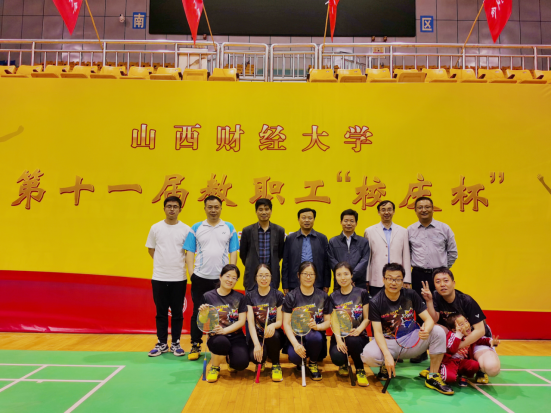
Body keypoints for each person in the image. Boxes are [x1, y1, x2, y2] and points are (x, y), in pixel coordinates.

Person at [361, 263, 454, 396]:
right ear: (383, 279)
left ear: (403, 280)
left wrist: (426, 330)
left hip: (411, 340)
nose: (394, 282)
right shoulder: (375, 301)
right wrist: (386, 355)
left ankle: (433, 376)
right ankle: (384, 365)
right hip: (388, 342)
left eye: (398, 279)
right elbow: (378, 332)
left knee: (438, 331)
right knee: (368, 355)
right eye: (390, 278)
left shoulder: (411, 294)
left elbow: (429, 320)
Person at [421, 267, 501, 383]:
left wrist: (457, 346)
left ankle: (479, 368)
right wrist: (429, 301)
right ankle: (440, 365)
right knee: (431, 328)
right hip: (455, 336)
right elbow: (434, 320)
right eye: (438, 282)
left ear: (453, 283)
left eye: (446, 280)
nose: (442, 284)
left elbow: (480, 330)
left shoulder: (466, 300)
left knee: (492, 368)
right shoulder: (436, 296)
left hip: (476, 338)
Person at [184, 195, 240, 361]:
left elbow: (233, 252)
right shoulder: (196, 227)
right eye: (210, 207)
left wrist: (231, 275)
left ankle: (225, 344)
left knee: (224, 312)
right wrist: (192, 274)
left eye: (216, 207)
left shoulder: (229, 227)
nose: (213, 210)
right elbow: (190, 252)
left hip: (221, 280)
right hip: (200, 278)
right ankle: (195, 344)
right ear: (205, 208)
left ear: (221, 208)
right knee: (198, 312)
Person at [408, 196, 457, 364]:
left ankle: (444, 349)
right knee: (419, 310)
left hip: (439, 275)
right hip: (418, 274)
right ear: (415, 210)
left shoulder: (444, 228)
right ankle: (420, 350)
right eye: (420, 207)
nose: (424, 210)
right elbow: (407, 254)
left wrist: (442, 271)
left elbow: (452, 252)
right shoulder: (410, 230)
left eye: (427, 206)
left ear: (433, 208)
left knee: (442, 310)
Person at [145, 196, 191, 358]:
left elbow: (189, 253)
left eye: (175, 206)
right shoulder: (155, 228)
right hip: (159, 277)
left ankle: (176, 343)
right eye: (169, 206)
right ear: (164, 209)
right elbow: (151, 249)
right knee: (161, 312)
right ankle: (162, 343)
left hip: (179, 277)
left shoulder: (186, 229)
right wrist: (163, 263)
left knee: (177, 313)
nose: (172, 209)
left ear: (180, 209)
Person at [199, 264, 249, 383]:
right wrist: (203, 314)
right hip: (217, 336)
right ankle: (215, 367)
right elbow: (203, 322)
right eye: (228, 276)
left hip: (236, 336)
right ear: (220, 277)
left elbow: (241, 321)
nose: (230, 280)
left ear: (236, 281)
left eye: (234, 278)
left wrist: (225, 330)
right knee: (221, 343)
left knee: (241, 363)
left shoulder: (240, 297)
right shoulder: (208, 296)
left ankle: (230, 359)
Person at [282, 262, 331, 381]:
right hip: (297, 337)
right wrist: (295, 344)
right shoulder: (291, 296)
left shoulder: (323, 296)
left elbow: (328, 322)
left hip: (315, 337)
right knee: (295, 357)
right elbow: (286, 323)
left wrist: (317, 327)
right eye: (305, 274)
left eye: (311, 274)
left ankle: (313, 363)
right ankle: (301, 361)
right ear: (298, 275)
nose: (308, 277)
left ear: (315, 276)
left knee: (315, 337)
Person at [328, 262, 371, 387]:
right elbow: (334, 321)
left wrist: (359, 330)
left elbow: (367, 318)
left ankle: (360, 369)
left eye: (346, 274)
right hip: (340, 336)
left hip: (359, 336)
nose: (343, 278)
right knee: (337, 356)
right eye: (339, 275)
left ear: (351, 275)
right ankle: (343, 364)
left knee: (352, 340)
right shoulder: (333, 296)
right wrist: (339, 340)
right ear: (335, 277)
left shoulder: (362, 293)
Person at [436, 313, 499, 387]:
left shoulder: (470, 335)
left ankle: (463, 375)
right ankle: (438, 370)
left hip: (462, 362)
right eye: (461, 324)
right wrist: (458, 335)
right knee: (449, 378)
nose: (466, 325)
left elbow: (480, 340)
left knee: (474, 365)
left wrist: (491, 342)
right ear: (454, 329)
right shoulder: (451, 335)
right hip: (451, 362)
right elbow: (451, 349)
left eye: (466, 321)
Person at [246, 264, 285, 382]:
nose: (264, 278)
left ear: (271, 277)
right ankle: (262, 360)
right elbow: (250, 323)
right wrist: (257, 344)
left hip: (273, 335)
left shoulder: (278, 295)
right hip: (257, 336)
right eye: (261, 275)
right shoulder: (249, 296)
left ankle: (276, 364)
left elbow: (279, 321)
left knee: (273, 334)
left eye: (267, 275)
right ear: (255, 277)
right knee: (255, 357)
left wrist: (273, 325)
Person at [364, 200, 411, 298]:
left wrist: (407, 280)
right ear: (378, 212)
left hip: (397, 278)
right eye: (383, 210)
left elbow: (406, 256)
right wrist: (367, 279)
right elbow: (367, 258)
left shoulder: (403, 231)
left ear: (394, 211)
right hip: (376, 278)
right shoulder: (369, 231)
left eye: (389, 209)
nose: (386, 212)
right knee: (376, 304)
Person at [240, 198, 286, 291]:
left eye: (266, 209)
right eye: (260, 209)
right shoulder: (247, 230)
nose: (264, 212)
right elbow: (243, 254)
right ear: (256, 212)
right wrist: (252, 265)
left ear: (271, 211)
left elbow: (280, 254)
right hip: (252, 278)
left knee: (272, 300)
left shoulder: (279, 230)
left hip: (272, 277)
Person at [282, 208, 331, 294]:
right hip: (294, 283)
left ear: (314, 219)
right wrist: (285, 284)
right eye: (303, 217)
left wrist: (326, 284)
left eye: (310, 218)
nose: (307, 220)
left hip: (317, 283)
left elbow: (326, 263)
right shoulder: (290, 239)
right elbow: (285, 263)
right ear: (298, 219)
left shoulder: (322, 238)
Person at [328, 209, 370, 289]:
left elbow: (364, 261)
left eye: (352, 221)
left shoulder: (363, 242)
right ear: (341, 222)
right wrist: (344, 276)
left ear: (356, 223)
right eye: (346, 221)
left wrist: (351, 277)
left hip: (358, 282)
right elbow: (332, 260)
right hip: (340, 283)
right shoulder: (333, 241)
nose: (348, 223)